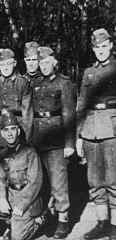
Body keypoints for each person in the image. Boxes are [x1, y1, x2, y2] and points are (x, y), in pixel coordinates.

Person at [76, 28, 116, 240]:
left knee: (113, 180)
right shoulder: (88, 72)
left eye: (104, 46)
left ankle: (114, 227)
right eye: (96, 47)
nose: (100, 50)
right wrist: (79, 135)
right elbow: (81, 104)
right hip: (90, 128)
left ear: (110, 45)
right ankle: (101, 223)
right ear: (93, 49)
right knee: (95, 180)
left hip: (112, 128)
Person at [32, 46, 75, 239]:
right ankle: (47, 217)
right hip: (38, 139)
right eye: (41, 63)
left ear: (54, 63)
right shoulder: (36, 83)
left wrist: (69, 143)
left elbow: (68, 114)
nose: (44, 65)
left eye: (47, 62)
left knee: (59, 182)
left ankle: (63, 220)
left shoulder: (63, 83)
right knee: (42, 182)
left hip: (57, 138)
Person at [0, 110, 45, 240]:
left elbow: (35, 182)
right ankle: (14, 223)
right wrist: (2, 198)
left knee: (16, 238)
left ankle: (39, 220)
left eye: (13, 129)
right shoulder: (2, 154)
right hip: (11, 194)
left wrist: (22, 205)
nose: (10, 133)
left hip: (28, 197)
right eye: (6, 130)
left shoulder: (30, 152)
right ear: (2, 134)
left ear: (18, 131)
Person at [0, 48, 33, 149]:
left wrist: (27, 137)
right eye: (2, 64)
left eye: (9, 63)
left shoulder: (22, 83)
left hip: (16, 126)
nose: (6, 67)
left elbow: (27, 113)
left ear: (15, 63)